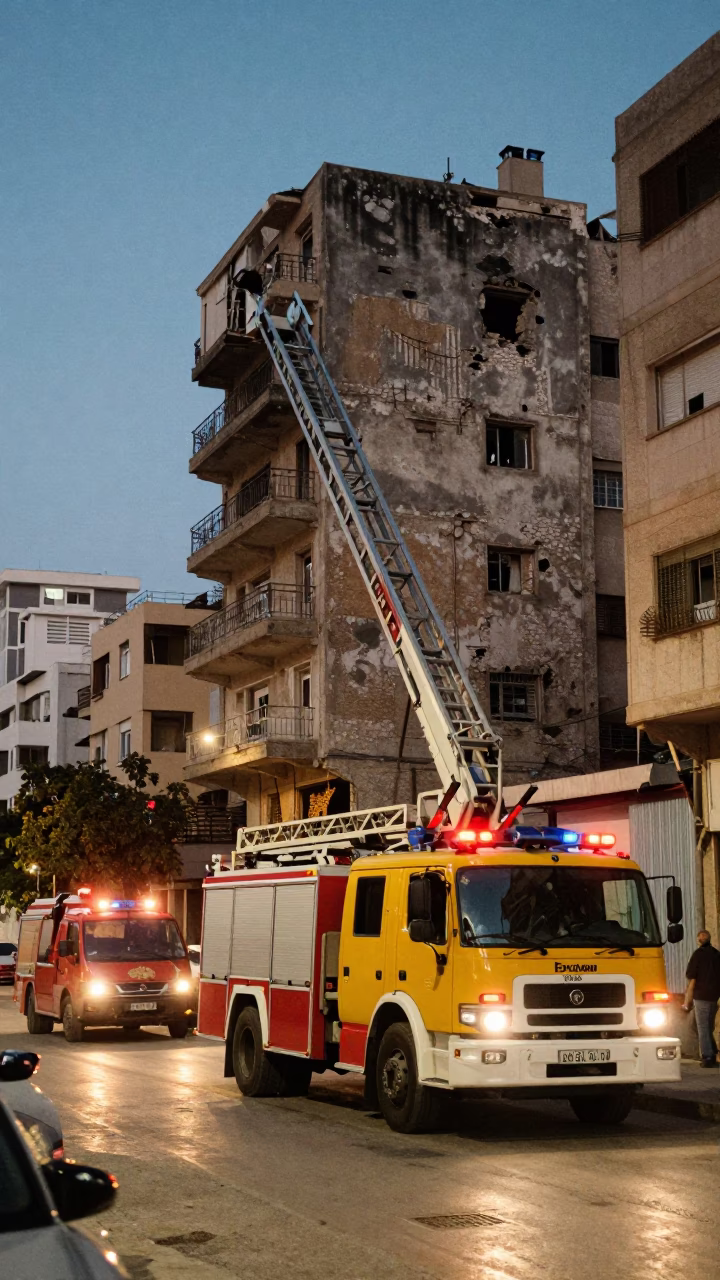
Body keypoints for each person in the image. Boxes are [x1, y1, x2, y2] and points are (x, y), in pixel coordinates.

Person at [683, 931, 720, 1067]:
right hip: (714, 997)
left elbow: (692, 979)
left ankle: (707, 1056)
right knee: (708, 1026)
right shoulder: (717, 955)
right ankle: (714, 1051)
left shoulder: (697, 955)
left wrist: (687, 999)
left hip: (701, 996)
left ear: (698, 940)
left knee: (702, 1027)